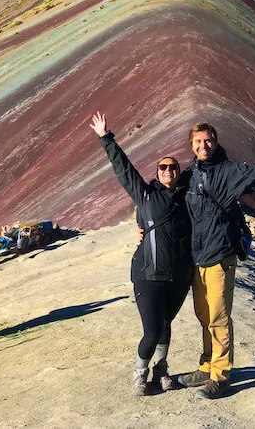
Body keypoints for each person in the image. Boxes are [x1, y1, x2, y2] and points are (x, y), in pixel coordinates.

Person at [177, 120, 255, 399]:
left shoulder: (230, 171)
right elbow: (172, 202)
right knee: (204, 315)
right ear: (191, 145)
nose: (203, 146)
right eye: (197, 142)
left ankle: (220, 376)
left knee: (219, 317)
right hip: (197, 258)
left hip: (220, 256)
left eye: (207, 140)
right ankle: (208, 365)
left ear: (215, 141)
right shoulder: (192, 173)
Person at [90, 111, 193, 396]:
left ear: (179, 171)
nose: (168, 172)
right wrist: (105, 137)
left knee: (165, 324)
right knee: (151, 330)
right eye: (163, 168)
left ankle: (161, 371)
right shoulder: (146, 195)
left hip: (179, 276)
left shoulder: (189, 198)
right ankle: (139, 374)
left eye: (173, 168)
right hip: (148, 274)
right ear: (157, 172)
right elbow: (124, 170)